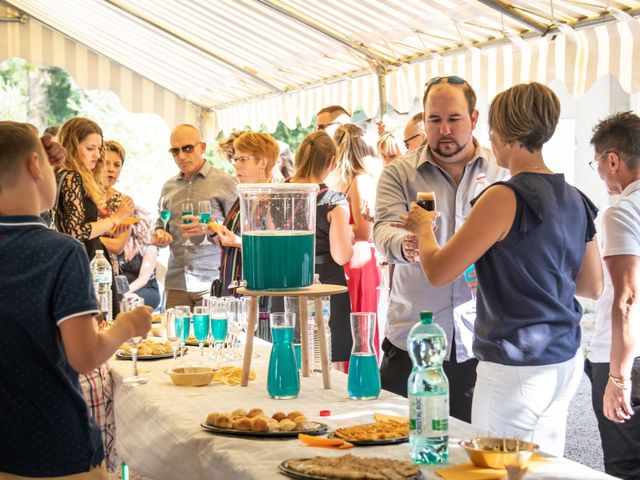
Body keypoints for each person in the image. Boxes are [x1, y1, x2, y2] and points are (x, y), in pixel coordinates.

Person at [399, 82, 603, 456]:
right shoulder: (577, 198)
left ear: (499, 132)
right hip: (563, 359)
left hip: (514, 363)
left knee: (492, 469)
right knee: (543, 469)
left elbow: (439, 271)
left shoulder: (502, 196)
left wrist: (423, 227)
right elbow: (591, 285)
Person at [0, 121, 151, 478]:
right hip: (54, 445)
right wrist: (126, 326)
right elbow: (84, 357)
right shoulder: (61, 252)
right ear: (37, 167)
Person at [373, 76, 508, 422]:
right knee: (397, 451)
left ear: (474, 118)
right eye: (434, 120)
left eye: (454, 119)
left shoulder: (500, 171)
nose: (444, 129)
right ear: (424, 120)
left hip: (477, 341)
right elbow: (383, 229)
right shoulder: (399, 173)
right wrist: (403, 244)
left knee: (468, 460)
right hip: (411, 338)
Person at [586, 111, 640, 478]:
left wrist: (618, 379)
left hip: (621, 357)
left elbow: (626, 298)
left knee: (624, 468)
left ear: (613, 160)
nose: (601, 173)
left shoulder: (620, 212)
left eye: (598, 163)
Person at [151, 124, 237, 309]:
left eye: (187, 148)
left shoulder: (225, 182)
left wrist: (210, 227)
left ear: (203, 147)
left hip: (212, 281)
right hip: (176, 283)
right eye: (175, 151)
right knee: (173, 338)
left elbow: (238, 231)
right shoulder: (169, 187)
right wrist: (160, 235)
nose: (181, 155)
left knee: (212, 338)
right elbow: (161, 224)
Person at [290, 131, 353, 364]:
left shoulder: (277, 193)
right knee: (325, 363)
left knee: (288, 354)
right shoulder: (334, 200)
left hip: (284, 284)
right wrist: (349, 235)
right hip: (324, 287)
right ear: (332, 162)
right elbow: (341, 255)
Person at [214, 132, 278, 338]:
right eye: (236, 158)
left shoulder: (275, 198)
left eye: (243, 159)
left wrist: (238, 242)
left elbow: (276, 249)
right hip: (233, 295)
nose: (236, 164)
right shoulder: (245, 195)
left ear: (262, 163)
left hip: (259, 301)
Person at [331, 123, 382, 361]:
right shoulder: (348, 180)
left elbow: (364, 231)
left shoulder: (359, 181)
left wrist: (335, 227)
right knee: (348, 323)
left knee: (360, 323)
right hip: (349, 256)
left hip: (359, 258)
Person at [54, 118, 134, 260]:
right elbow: (76, 232)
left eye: (99, 148)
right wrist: (115, 218)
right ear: (71, 146)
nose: (97, 155)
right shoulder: (72, 177)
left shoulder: (60, 175)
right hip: (82, 260)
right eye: (90, 148)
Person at [119, 207, 161, 310]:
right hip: (123, 290)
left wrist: (122, 294)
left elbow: (143, 279)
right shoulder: (118, 245)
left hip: (146, 289)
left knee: (129, 301)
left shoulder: (149, 247)